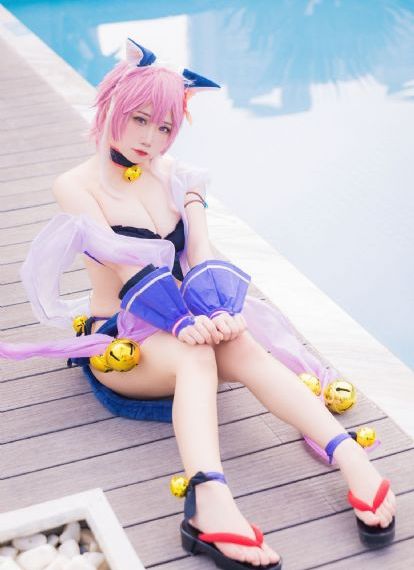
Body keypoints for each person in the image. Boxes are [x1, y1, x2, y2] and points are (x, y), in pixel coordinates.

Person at [0, 39, 396, 569]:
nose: (151, 138)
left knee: (242, 340)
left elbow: (201, 253)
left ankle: (352, 459)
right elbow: (124, 267)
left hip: (189, 318)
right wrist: (184, 322)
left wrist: (220, 309)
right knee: (195, 355)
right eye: (140, 119)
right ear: (112, 107)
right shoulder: (74, 185)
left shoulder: (177, 175)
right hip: (125, 337)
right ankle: (208, 505)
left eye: (165, 127)